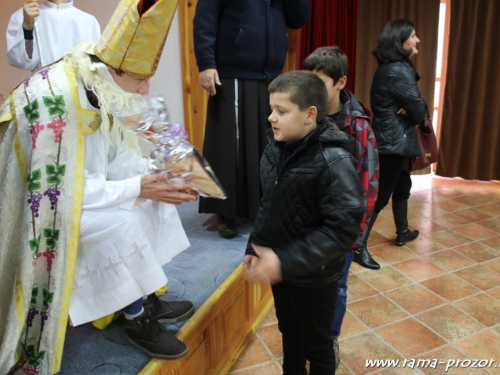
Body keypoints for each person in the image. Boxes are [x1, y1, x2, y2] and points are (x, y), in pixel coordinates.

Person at [0, 1, 196, 373]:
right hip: (43, 208)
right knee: (121, 223)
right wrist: (138, 185)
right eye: (139, 78)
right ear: (114, 68)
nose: (146, 87)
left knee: (153, 199)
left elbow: (114, 158)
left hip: (84, 189)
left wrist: (154, 171)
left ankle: (143, 294)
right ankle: (136, 318)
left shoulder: (100, 85)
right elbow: (63, 191)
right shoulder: (56, 102)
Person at [243, 71, 364, 375]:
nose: (271, 118)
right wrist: (254, 246)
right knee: (290, 335)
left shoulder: (333, 161)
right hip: (283, 271)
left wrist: (283, 261)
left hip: (315, 277)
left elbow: (341, 230)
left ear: (310, 114)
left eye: (281, 111)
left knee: (318, 348)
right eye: (271, 109)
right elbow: (269, 204)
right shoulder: (274, 148)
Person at [193, 0, 310, 238]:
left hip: (271, 76)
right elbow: (205, 19)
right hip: (232, 73)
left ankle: (260, 208)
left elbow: (299, 18)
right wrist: (206, 63)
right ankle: (225, 212)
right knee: (230, 146)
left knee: (268, 146)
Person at [304, 45, 380, 367]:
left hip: (341, 232)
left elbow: (369, 185)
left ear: (340, 82)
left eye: (319, 84)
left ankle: (328, 338)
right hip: (307, 225)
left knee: (336, 289)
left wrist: (354, 235)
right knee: (306, 289)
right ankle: (309, 337)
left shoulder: (358, 126)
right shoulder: (305, 116)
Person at [368, 19, 427, 247]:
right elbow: (417, 112)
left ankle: (402, 230)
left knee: (402, 184)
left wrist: (414, 106)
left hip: (392, 139)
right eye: (413, 35)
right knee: (381, 195)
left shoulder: (392, 66)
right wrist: (417, 106)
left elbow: (413, 107)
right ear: (400, 40)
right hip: (393, 141)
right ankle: (358, 246)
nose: (417, 39)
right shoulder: (398, 70)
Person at [7, 0, 100, 71]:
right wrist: (27, 25)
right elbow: (23, 61)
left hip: (78, 93)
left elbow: (96, 68)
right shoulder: (25, 15)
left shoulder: (89, 21)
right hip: (44, 90)